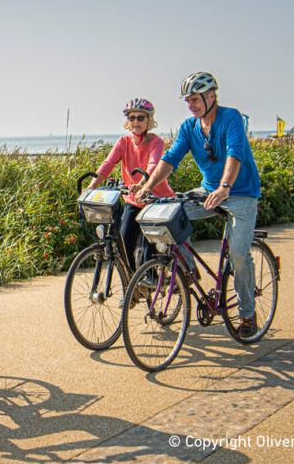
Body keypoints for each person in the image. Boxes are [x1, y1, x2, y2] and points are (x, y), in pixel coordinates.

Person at [133, 71, 262, 339]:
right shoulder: (188, 127)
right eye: (188, 101)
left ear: (211, 96)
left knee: (238, 255)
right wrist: (147, 187)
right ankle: (188, 268)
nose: (191, 105)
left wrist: (225, 187)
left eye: (195, 99)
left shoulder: (231, 117)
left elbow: (234, 154)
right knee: (168, 215)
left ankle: (248, 315)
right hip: (207, 192)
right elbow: (170, 159)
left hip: (241, 194)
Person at [87, 98, 174, 270]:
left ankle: (151, 282)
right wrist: (91, 186)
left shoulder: (157, 142)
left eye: (141, 118)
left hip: (156, 201)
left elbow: (153, 165)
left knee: (150, 249)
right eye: (131, 117)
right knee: (124, 244)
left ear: (149, 120)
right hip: (133, 200)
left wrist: (142, 183)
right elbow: (108, 164)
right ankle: (132, 290)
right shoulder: (123, 142)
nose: (136, 122)